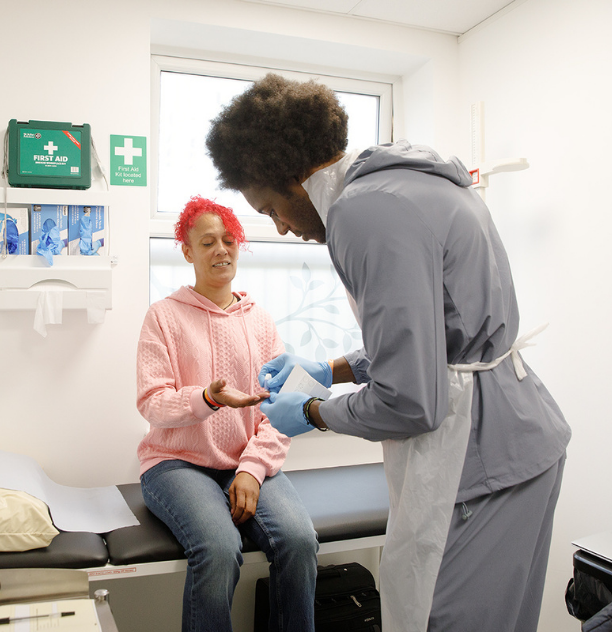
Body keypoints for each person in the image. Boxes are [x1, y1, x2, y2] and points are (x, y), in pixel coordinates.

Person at [206, 74, 571, 632]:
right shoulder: (405, 182)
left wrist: (311, 413)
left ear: (294, 179)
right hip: (518, 434)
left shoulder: (361, 212)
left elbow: (411, 400)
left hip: (482, 452)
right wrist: (331, 369)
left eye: (270, 207)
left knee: (441, 620)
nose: (279, 224)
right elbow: (437, 338)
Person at [136, 196, 318, 632]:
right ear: (187, 251)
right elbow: (152, 403)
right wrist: (207, 398)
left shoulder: (260, 321)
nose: (221, 249)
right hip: (176, 465)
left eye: (229, 239)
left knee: (299, 541)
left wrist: (253, 469)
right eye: (208, 242)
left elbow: (282, 410)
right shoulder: (162, 317)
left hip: (245, 462)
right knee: (218, 548)